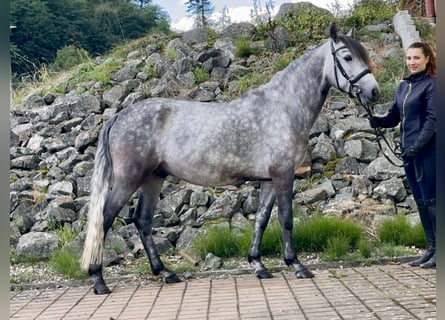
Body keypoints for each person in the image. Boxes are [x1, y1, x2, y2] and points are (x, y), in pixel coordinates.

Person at [369, 42, 436, 268]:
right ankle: (431, 249)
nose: (412, 62)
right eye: (408, 58)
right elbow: (394, 117)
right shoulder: (403, 86)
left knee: (433, 201)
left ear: (427, 59)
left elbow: (432, 121)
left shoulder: (432, 85)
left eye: (416, 58)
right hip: (409, 153)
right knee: (420, 201)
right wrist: (378, 120)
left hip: (428, 151)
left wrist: (416, 147)